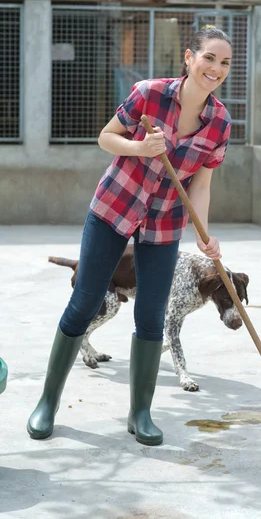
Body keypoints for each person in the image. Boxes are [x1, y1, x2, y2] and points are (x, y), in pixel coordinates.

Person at [27, 26, 232, 447]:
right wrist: (141, 148)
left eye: (225, 62)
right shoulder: (149, 94)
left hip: (164, 221)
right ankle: (48, 402)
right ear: (190, 57)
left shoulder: (220, 123)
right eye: (209, 57)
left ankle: (140, 413)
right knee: (84, 301)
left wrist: (205, 235)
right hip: (114, 207)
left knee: (151, 314)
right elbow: (107, 137)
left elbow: (202, 185)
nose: (216, 68)